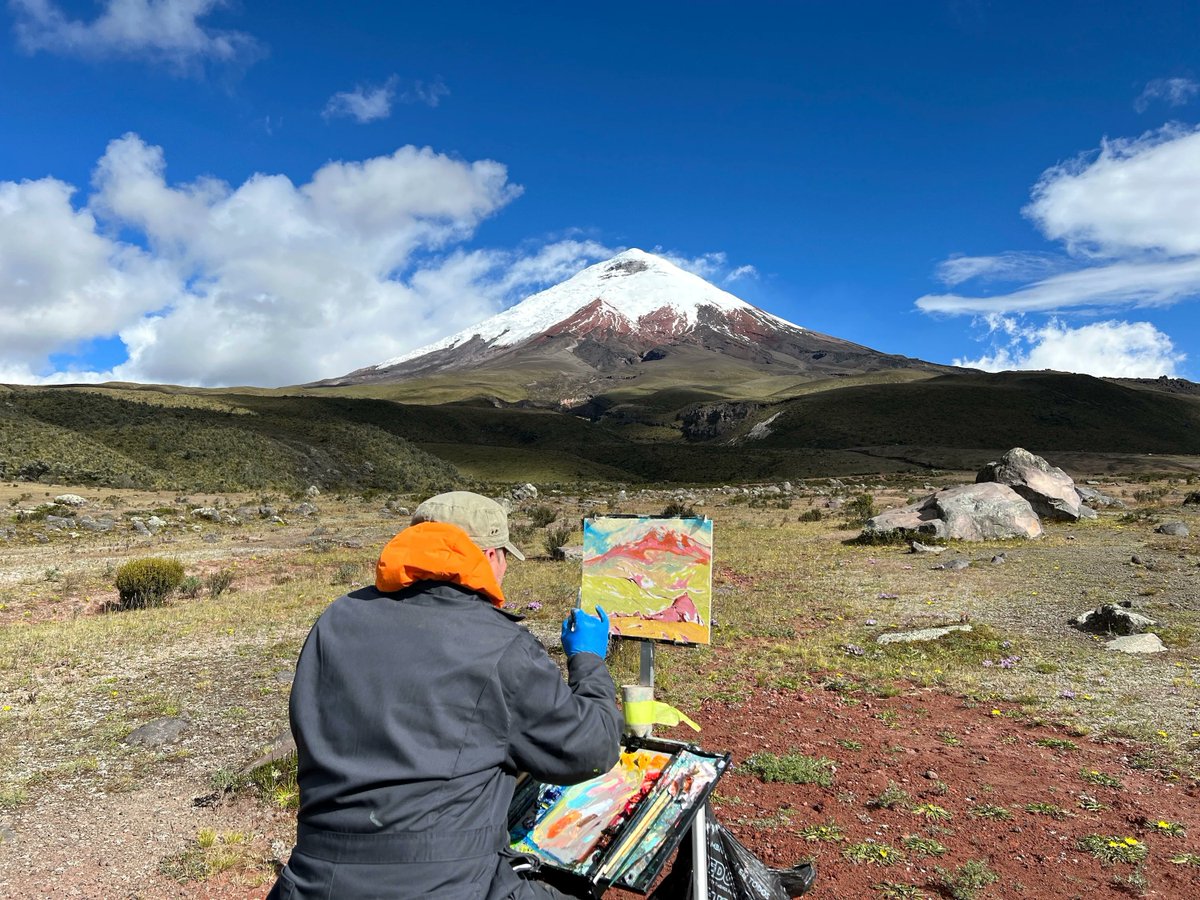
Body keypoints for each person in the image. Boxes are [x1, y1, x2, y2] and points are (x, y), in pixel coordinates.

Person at [267, 491, 622, 900]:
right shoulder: (500, 645)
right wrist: (589, 660)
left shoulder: (335, 618)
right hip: (448, 886)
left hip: (312, 882)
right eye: (503, 556)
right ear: (489, 556)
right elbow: (591, 748)